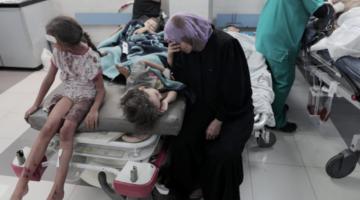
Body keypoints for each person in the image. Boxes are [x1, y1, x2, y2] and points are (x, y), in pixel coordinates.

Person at [11, 16, 105, 200]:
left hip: (86, 94)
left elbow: (100, 90)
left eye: (54, 40)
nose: (52, 44)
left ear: (65, 42)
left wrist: (94, 109)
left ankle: (57, 190)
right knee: (48, 127)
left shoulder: (90, 58)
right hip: (69, 91)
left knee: (66, 130)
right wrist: (36, 103)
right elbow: (49, 78)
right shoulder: (58, 52)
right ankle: (23, 183)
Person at [163, 13, 254, 200]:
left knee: (222, 154)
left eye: (180, 44)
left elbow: (238, 88)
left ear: (191, 36)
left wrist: (220, 119)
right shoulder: (183, 48)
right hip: (203, 106)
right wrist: (171, 61)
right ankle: (185, 189)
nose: (179, 48)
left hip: (234, 111)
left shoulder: (226, 45)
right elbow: (183, 81)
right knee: (182, 143)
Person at [256, 0, 334, 132]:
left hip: (266, 33)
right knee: (283, 81)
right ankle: (275, 120)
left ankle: (274, 106)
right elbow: (322, 11)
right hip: (280, 40)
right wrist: (333, 6)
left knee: (272, 77)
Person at [119, 60, 184, 142]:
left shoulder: (138, 75)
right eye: (160, 100)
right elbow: (173, 92)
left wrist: (163, 70)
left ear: (143, 89)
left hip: (151, 63)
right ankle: (141, 136)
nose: (160, 96)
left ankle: (126, 74)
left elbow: (142, 61)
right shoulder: (154, 98)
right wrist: (166, 101)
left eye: (157, 94)